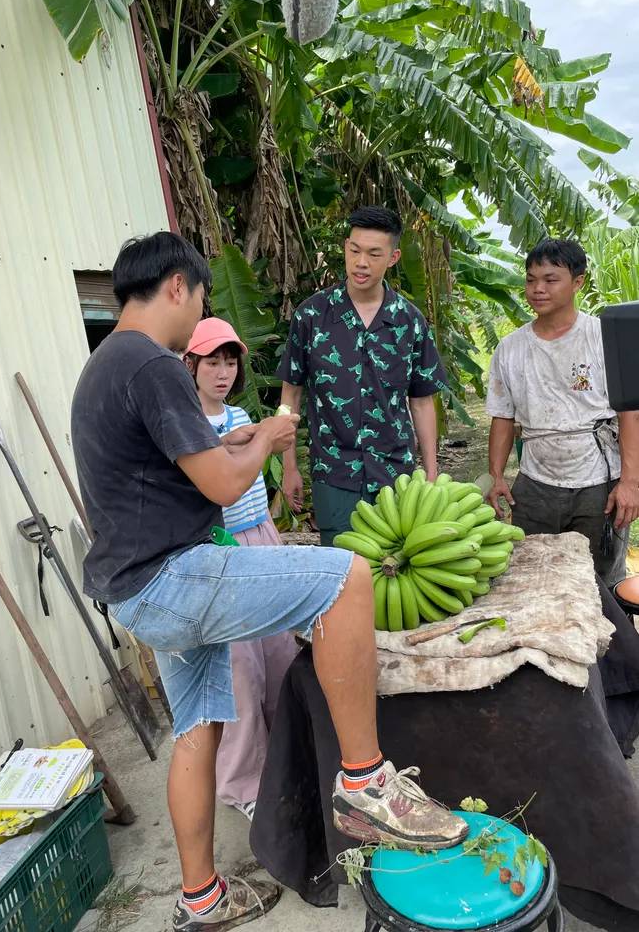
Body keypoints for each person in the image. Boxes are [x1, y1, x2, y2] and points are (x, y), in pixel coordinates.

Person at [71, 231, 468, 932]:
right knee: (345, 576)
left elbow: (179, 462)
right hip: (176, 575)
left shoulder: (105, 366)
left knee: (196, 731)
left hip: (135, 590)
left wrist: (240, 437)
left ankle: (201, 900)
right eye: (199, 297)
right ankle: (365, 780)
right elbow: (224, 486)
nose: (199, 316)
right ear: (175, 286)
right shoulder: (155, 363)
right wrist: (270, 441)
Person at [278, 205, 448, 545]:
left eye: (374, 254)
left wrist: (430, 471)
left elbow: (422, 401)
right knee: (342, 573)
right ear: (345, 248)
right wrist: (289, 467)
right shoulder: (311, 316)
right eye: (354, 251)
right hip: (333, 473)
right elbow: (290, 395)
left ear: (393, 257)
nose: (361, 263)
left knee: (396, 570)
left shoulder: (410, 322)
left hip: (395, 474)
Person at [184, 317, 298, 822]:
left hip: (261, 538)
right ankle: (244, 786)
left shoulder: (240, 417)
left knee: (280, 657)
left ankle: (284, 762)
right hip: (221, 551)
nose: (223, 371)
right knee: (238, 673)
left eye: (230, 362)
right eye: (212, 361)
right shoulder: (184, 427)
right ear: (190, 365)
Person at [486, 238, 639, 588]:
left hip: (598, 484)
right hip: (535, 484)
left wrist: (630, 482)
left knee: (599, 583)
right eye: (530, 279)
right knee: (529, 576)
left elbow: (630, 413)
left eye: (550, 279)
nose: (538, 289)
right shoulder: (511, 348)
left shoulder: (603, 338)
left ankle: (613, 644)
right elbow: (502, 417)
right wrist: (496, 475)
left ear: (578, 282)